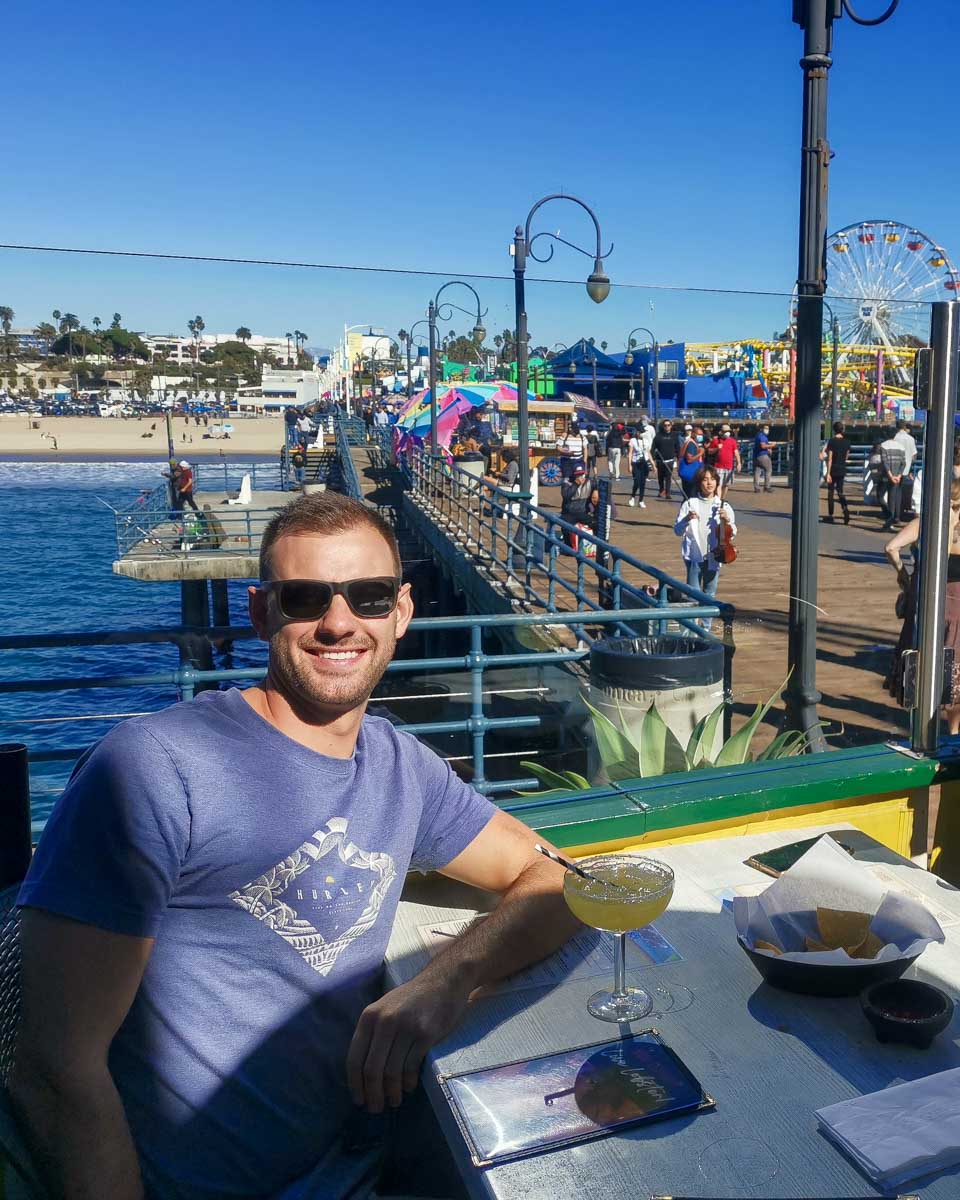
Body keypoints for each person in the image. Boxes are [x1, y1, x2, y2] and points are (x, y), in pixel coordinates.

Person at [9, 492, 579, 1200]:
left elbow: (553, 877)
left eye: (367, 597)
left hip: (353, 1161)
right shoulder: (155, 767)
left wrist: (445, 980)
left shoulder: (404, 768)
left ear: (401, 612)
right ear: (260, 612)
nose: (338, 623)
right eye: (306, 597)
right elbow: (54, 1067)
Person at [674, 465, 736, 630]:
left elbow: (733, 532)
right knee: (693, 596)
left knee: (709, 594)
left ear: (717, 482)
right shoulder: (690, 503)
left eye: (713, 479)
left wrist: (727, 519)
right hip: (694, 555)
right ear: (699, 482)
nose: (709, 483)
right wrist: (687, 518)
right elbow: (677, 530)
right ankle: (692, 629)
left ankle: (706, 629)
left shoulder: (723, 505)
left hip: (715, 555)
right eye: (705, 479)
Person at [560, 463, 598, 544]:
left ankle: (595, 546)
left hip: (583, 512)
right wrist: (575, 484)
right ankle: (568, 548)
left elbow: (599, 486)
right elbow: (566, 495)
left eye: (582, 474)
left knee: (597, 524)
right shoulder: (567, 482)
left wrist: (596, 490)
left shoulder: (590, 482)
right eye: (577, 475)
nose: (580, 477)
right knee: (566, 528)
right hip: (569, 513)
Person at [822, 421, 851, 525]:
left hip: (833, 468)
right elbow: (846, 456)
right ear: (842, 429)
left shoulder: (832, 441)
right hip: (842, 468)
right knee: (840, 492)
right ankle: (845, 508)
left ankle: (831, 515)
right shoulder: (847, 442)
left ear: (834, 430)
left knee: (830, 492)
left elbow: (830, 458)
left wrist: (828, 473)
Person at [879, 431, 908, 531]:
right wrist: (899, 475)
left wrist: (890, 475)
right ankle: (890, 522)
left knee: (880, 496)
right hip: (897, 477)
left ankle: (888, 517)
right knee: (892, 499)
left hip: (885, 476)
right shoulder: (901, 447)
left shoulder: (883, 446)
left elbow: (884, 462)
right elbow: (903, 463)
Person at [706, 424, 741, 499]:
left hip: (729, 466)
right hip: (718, 466)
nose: (727, 433)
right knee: (718, 484)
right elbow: (709, 451)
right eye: (725, 431)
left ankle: (723, 499)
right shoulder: (716, 440)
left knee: (726, 484)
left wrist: (739, 463)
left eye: (728, 431)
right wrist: (717, 448)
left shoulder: (732, 441)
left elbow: (736, 452)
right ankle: (718, 499)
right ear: (721, 432)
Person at [651, 419, 681, 500]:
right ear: (663, 426)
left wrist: (678, 458)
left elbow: (677, 448)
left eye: (668, 425)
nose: (667, 427)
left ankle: (668, 493)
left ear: (671, 426)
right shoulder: (658, 435)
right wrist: (653, 459)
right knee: (660, 477)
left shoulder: (674, 435)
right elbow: (653, 447)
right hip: (660, 460)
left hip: (670, 460)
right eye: (665, 425)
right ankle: (661, 490)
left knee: (668, 477)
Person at [627, 425, 654, 508]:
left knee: (643, 483)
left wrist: (653, 464)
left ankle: (641, 500)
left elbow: (648, 453)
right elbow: (630, 453)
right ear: (637, 432)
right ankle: (632, 497)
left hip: (644, 463)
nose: (641, 434)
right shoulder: (632, 440)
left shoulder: (646, 441)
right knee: (637, 482)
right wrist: (629, 465)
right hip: (636, 463)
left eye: (643, 432)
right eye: (640, 432)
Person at [677, 425, 704, 500]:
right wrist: (700, 453)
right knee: (691, 497)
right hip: (690, 474)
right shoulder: (691, 444)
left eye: (701, 435)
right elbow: (689, 459)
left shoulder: (692, 442)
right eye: (699, 434)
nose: (700, 436)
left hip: (690, 474)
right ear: (693, 434)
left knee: (688, 497)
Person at [753, 424, 776, 493]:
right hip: (762, 456)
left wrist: (768, 448)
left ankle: (756, 488)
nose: (767, 429)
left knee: (757, 471)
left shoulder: (758, 435)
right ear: (761, 429)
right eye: (765, 428)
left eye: (768, 428)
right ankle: (767, 486)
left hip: (756, 456)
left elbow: (761, 446)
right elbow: (763, 446)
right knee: (768, 470)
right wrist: (772, 445)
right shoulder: (762, 436)